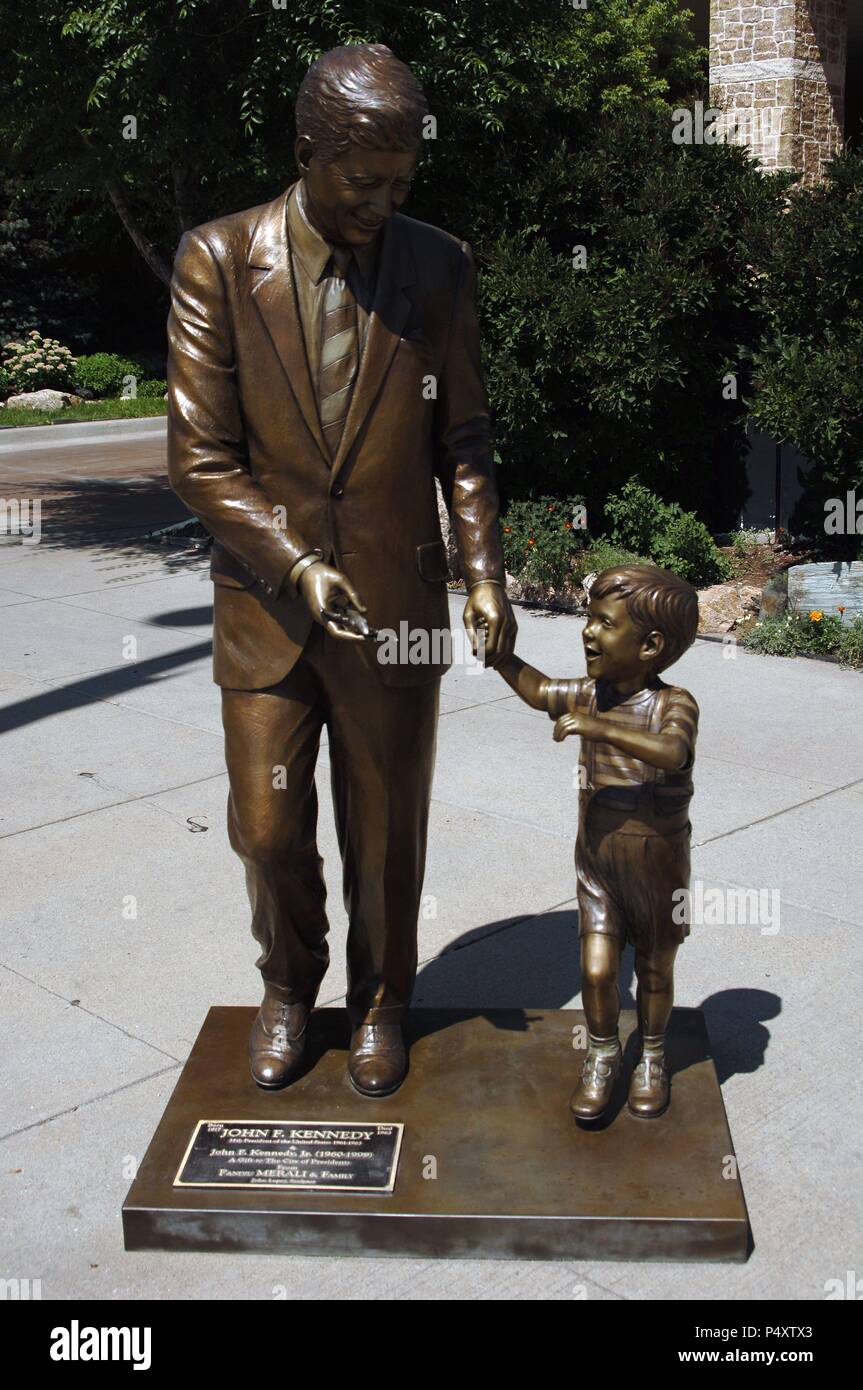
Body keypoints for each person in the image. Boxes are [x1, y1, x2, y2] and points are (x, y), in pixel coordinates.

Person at [167, 44, 516, 1097]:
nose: (382, 201)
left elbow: (462, 439)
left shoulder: (435, 265)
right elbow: (199, 460)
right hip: (269, 607)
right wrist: (295, 562)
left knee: (384, 823)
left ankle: (381, 997)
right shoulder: (218, 261)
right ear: (306, 150)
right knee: (268, 827)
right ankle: (289, 984)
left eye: (401, 181)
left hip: (395, 602)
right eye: (364, 180)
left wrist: (483, 575)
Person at [495, 565, 699, 1120]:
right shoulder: (590, 692)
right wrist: (499, 656)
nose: (587, 632)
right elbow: (540, 692)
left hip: (657, 864)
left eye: (604, 624)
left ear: (650, 645)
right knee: (596, 969)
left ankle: (652, 1055)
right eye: (589, 619)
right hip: (598, 862)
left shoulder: (672, 703)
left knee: (655, 969)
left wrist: (599, 728)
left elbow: (672, 753)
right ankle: (603, 1054)